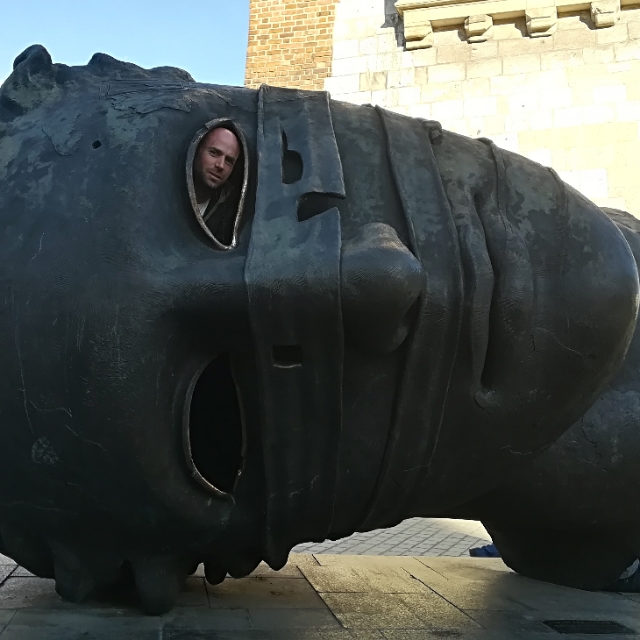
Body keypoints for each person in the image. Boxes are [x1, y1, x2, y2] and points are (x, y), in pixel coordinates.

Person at [192, 127, 241, 245]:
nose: (221, 165)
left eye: (229, 161)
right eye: (214, 153)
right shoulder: (164, 192)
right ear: (196, 150)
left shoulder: (230, 211)